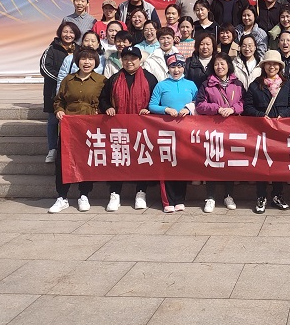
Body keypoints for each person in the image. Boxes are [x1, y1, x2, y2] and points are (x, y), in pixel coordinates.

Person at [99, 46, 159, 212]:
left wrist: (149, 109)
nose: (129, 62)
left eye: (133, 59)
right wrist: (107, 108)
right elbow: (103, 99)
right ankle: (115, 193)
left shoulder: (150, 78)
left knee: (141, 159)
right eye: (125, 59)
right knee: (118, 160)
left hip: (142, 129)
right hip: (119, 129)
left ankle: (141, 192)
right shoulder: (114, 79)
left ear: (139, 60)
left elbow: (156, 100)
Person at [48, 48, 106, 213]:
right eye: (83, 59)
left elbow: (106, 101)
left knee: (86, 161)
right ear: (77, 61)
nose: (87, 62)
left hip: (89, 128)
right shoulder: (68, 80)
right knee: (63, 162)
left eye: (90, 59)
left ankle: (84, 194)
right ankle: (62, 196)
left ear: (96, 62)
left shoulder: (101, 81)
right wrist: (59, 110)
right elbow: (59, 100)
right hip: (69, 128)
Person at [243, 50, 290, 214]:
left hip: (280, 131)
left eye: (275, 64)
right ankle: (261, 196)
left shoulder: (286, 84)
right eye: (268, 64)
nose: (272, 67)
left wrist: (283, 115)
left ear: (280, 67)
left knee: (279, 164)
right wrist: (260, 116)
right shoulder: (255, 85)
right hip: (261, 131)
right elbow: (247, 107)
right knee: (262, 164)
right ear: (263, 66)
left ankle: (277, 195)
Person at [148, 53, 198, 213]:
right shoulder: (161, 85)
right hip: (166, 131)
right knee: (166, 164)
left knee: (182, 164)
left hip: (185, 131)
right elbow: (152, 105)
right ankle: (167, 201)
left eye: (179, 67)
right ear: (168, 68)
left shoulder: (191, 85)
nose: (176, 70)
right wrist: (166, 109)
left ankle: (180, 199)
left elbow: (198, 102)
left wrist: (188, 109)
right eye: (173, 67)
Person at [196, 52, 244, 213]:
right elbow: (200, 105)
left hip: (232, 128)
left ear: (228, 65)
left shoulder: (237, 83)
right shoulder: (207, 84)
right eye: (216, 64)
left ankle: (228, 195)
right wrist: (217, 108)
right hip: (213, 128)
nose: (219, 67)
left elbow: (244, 102)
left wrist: (233, 109)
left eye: (222, 63)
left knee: (229, 162)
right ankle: (210, 197)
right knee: (213, 161)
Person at [40, 21, 80, 164]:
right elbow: (44, 69)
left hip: (75, 92)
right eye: (65, 32)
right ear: (60, 33)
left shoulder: (79, 50)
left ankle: (71, 149)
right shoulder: (51, 49)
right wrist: (62, 80)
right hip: (54, 92)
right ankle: (52, 149)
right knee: (53, 120)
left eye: (71, 32)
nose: (68, 35)